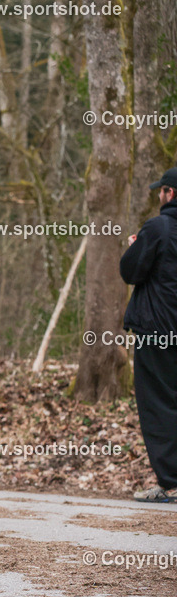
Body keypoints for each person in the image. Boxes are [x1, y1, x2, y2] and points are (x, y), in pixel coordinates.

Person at [121, 166, 177, 504]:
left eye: (161, 190)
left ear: (170, 193)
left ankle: (170, 482)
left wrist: (134, 246)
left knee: (158, 406)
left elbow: (131, 271)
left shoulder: (158, 227)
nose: (159, 195)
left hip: (158, 331)